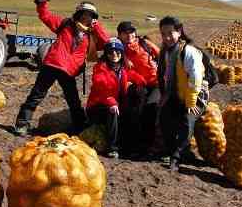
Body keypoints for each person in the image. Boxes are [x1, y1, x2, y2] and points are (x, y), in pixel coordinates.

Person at [13, 0, 109, 136]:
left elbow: (107, 43)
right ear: (78, 14)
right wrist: (42, 0)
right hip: (52, 65)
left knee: (73, 101)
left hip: (69, 71)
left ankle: (80, 127)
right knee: (36, 95)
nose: (87, 18)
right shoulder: (65, 24)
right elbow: (45, 16)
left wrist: (97, 27)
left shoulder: (92, 36)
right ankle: (22, 124)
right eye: (84, 14)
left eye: (90, 16)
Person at [157, 16, 209, 172]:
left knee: (187, 121)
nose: (166, 37)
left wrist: (191, 101)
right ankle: (170, 149)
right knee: (164, 117)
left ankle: (177, 157)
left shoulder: (189, 52)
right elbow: (166, 76)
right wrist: (165, 95)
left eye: (170, 33)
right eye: (163, 34)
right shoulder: (166, 52)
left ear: (179, 32)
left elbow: (196, 77)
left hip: (196, 95)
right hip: (176, 94)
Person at [86, 38, 146, 159]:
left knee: (131, 111)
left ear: (122, 53)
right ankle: (112, 148)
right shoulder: (100, 68)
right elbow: (100, 87)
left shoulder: (122, 68)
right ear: (106, 54)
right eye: (110, 52)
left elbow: (132, 75)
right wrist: (111, 102)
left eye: (117, 52)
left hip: (114, 103)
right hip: (98, 107)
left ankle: (130, 146)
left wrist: (141, 82)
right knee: (112, 111)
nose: (114, 54)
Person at [116, 21, 161, 154]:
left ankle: (149, 143)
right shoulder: (117, 51)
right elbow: (118, 70)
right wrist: (124, 57)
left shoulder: (145, 43)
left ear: (135, 33)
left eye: (131, 32)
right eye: (125, 32)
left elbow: (162, 56)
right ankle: (136, 142)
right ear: (119, 35)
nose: (129, 35)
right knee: (134, 108)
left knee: (152, 107)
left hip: (156, 83)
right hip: (139, 83)